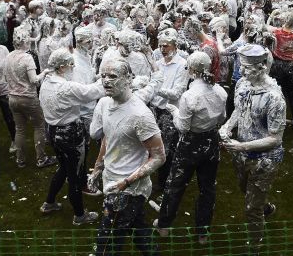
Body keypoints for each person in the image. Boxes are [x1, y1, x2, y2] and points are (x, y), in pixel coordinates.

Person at [89, 57, 166, 255]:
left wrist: (126, 182)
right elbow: (109, 135)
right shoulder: (105, 103)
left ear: (128, 79)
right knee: (139, 231)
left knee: (106, 247)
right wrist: (98, 167)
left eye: (113, 76)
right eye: (103, 75)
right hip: (112, 181)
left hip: (129, 191)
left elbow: (159, 157)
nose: (106, 80)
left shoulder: (140, 114)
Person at [219, 44, 286, 255]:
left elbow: (275, 139)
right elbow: (239, 111)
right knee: (245, 190)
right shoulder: (241, 84)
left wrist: (241, 145)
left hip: (265, 159)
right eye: (241, 66)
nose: (242, 71)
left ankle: (255, 246)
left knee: (251, 208)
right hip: (241, 154)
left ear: (262, 67)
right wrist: (227, 127)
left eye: (247, 67)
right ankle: (265, 207)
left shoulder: (274, 98)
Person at [155, 51, 226, 244]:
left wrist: (175, 110)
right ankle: (202, 233)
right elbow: (222, 119)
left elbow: (183, 127)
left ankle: (164, 226)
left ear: (191, 70)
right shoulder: (220, 91)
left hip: (190, 144)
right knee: (207, 188)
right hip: (211, 142)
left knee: (175, 185)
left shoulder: (189, 96)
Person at [38, 48, 105, 225]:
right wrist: (106, 78)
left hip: (53, 131)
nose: (73, 68)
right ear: (61, 68)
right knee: (75, 175)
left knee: (63, 168)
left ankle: (49, 203)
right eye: (70, 65)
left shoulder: (46, 81)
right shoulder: (65, 87)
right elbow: (91, 93)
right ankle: (80, 215)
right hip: (69, 133)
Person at [4, 27, 55, 168]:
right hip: (28, 98)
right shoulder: (27, 57)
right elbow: (34, 80)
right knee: (39, 126)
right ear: (25, 40)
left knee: (20, 128)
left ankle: (20, 160)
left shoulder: (8, 56)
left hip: (12, 98)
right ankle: (41, 159)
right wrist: (44, 72)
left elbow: (5, 77)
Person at [149, 28, 189, 191]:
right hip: (155, 109)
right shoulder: (158, 64)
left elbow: (176, 93)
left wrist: (154, 87)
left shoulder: (182, 65)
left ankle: (165, 181)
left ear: (174, 46)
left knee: (168, 148)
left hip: (169, 111)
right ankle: (159, 176)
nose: (162, 49)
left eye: (165, 46)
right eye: (160, 46)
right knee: (155, 146)